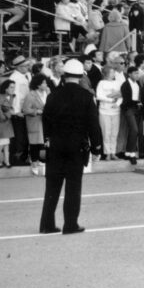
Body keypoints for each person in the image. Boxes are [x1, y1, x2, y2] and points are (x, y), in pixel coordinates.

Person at [39, 58, 102, 234]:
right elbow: (93, 124)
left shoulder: (53, 96)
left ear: (64, 75)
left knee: (52, 188)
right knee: (73, 187)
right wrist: (97, 147)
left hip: (56, 146)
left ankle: (46, 224)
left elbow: (45, 121)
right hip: (76, 147)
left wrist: (47, 140)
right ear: (81, 76)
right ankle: (70, 224)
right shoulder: (87, 97)